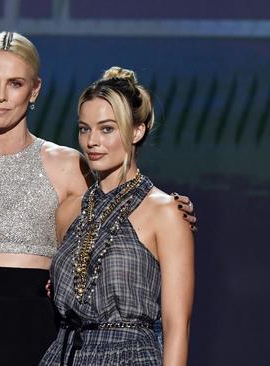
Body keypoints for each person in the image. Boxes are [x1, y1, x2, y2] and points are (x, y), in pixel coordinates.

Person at [0, 32, 195, 366]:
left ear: (34, 89)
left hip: (42, 334)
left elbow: (124, 204)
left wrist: (172, 210)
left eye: (14, 83)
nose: (0, 96)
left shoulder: (71, 168)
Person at [39, 67, 194, 366]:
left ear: (137, 130)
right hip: (64, 354)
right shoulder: (69, 211)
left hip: (130, 355)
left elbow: (178, 328)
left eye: (107, 128)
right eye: (85, 128)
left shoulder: (166, 213)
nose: (92, 141)